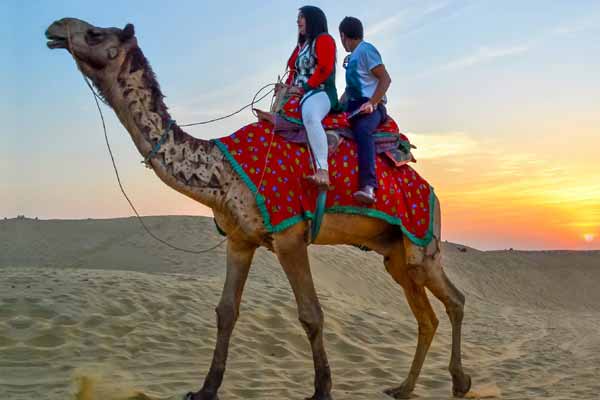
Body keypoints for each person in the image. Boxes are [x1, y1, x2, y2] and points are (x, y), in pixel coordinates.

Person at [257, 6, 339, 189]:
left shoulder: (324, 40)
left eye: (302, 17)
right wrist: (285, 87)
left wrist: (303, 89)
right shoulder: (300, 47)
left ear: (312, 19)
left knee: (310, 116)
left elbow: (324, 69)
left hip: (320, 92)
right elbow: (293, 72)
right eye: (298, 18)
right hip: (299, 93)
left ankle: (323, 170)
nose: (298, 21)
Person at [339, 16, 391, 204]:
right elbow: (350, 89)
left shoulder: (366, 51)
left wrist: (372, 102)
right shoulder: (352, 57)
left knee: (362, 130)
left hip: (371, 107)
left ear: (343, 36)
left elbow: (385, 79)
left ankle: (368, 186)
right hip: (352, 106)